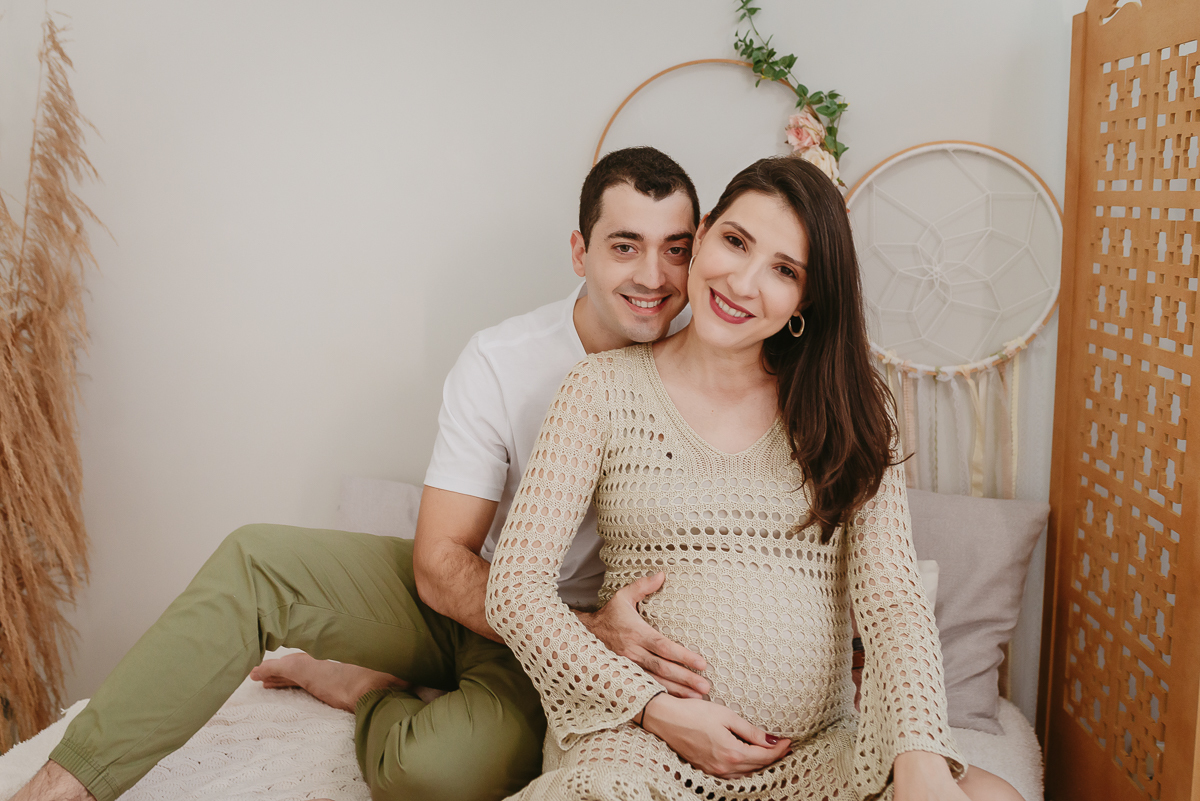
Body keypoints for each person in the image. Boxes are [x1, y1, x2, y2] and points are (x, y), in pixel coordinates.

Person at [11, 147, 714, 801]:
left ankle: (363, 685)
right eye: (626, 246)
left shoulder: (717, 369)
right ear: (579, 251)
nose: (652, 276)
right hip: (490, 597)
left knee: (435, 771)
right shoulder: (503, 360)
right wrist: (586, 627)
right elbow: (441, 564)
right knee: (255, 560)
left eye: (675, 250)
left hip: (563, 648)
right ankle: (62, 783)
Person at [484, 156, 1024, 800]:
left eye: (784, 270)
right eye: (736, 242)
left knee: (992, 797)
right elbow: (515, 590)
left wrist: (919, 758)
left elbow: (892, 601)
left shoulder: (852, 407)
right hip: (641, 745)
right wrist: (654, 706)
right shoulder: (601, 389)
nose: (742, 281)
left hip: (814, 753)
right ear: (704, 233)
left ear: (806, 299)